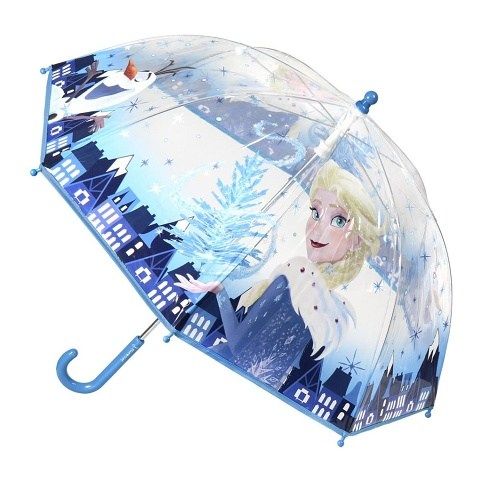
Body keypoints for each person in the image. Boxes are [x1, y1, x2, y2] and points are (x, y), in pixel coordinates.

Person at [175, 160, 381, 389]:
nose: (318, 227)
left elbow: (237, 344)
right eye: (315, 212)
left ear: (357, 240)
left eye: (338, 220)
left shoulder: (294, 276)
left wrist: (220, 293)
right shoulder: (331, 310)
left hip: (221, 369)